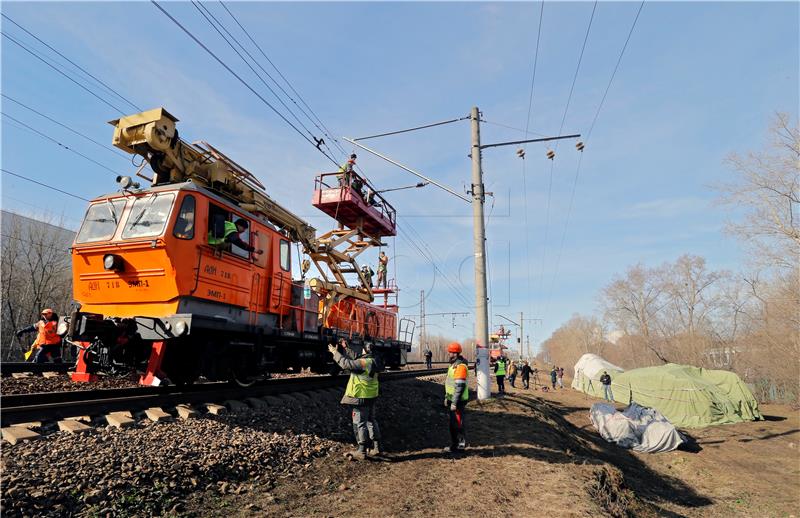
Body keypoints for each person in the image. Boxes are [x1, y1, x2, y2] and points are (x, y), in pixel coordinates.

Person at [328, 338, 383, 460]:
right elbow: (357, 358)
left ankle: (361, 451)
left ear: (365, 349)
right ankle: (376, 447)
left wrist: (334, 352)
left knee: (360, 423)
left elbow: (346, 364)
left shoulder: (364, 362)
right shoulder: (374, 361)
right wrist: (346, 348)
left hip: (361, 395)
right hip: (371, 395)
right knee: (371, 420)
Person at [443, 342, 469, 454]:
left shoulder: (460, 366)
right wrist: (447, 397)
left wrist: (454, 402)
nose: (449, 354)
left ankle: (460, 447)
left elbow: (459, 387)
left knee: (458, 424)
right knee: (453, 424)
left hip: (458, 401)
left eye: (451, 352)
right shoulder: (453, 365)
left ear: (456, 353)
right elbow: (450, 384)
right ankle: (455, 445)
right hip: (452, 399)